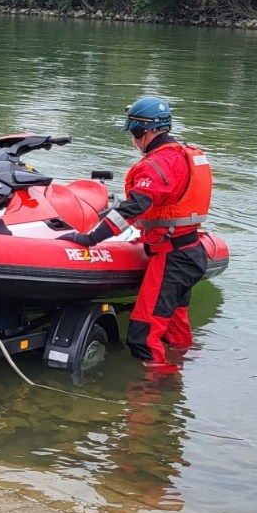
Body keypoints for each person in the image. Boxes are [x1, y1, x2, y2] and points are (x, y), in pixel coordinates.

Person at [59, 96, 212, 370]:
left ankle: (151, 401)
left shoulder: (158, 163)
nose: (133, 140)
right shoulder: (183, 155)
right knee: (175, 328)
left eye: (134, 133)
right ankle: (180, 374)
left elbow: (134, 207)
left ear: (145, 131)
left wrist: (89, 238)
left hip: (172, 259)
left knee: (143, 333)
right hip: (192, 251)